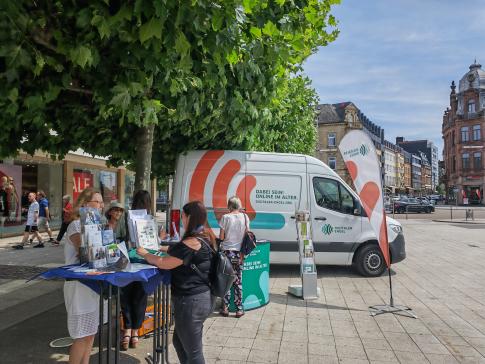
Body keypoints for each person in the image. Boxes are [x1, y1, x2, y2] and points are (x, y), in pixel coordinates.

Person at [137, 201, 215, 364]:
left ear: (189, 217)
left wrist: (145, 253)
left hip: (191, 302)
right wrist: (159, 246)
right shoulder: (205, 236)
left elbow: (164, 262)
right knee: (179, 343)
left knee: (194, 353)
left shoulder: (191, 242)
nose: (181, 220)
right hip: (200, 299)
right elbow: (176, 249)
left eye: (183, 216)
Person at [64, 187, 105, 364]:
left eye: (102, 202)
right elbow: (86, 253)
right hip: (79, 286)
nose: (101, 206)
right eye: (97, 202)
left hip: (94, 284)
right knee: (81, 336)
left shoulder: (98, 225)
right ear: (86, 204)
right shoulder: (75, 225)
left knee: (90, 334)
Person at [119, 190, 151, 350]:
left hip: (126, 260)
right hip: (143, 262)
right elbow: (152, 243)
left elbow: (118, 237)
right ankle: (135, 334)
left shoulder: (125, 216)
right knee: (139, 297)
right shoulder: (149, 218)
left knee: (125, 297)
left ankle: (127, 332)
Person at [218, 196, 249, 318]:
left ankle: (225, 308)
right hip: (239, 253)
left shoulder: (226, 217)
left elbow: (221, 237)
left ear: (229, 205)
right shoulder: (245, 217)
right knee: (238, 281)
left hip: (227, 253)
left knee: (226, 280)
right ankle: (239, 309)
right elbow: (247, 236)